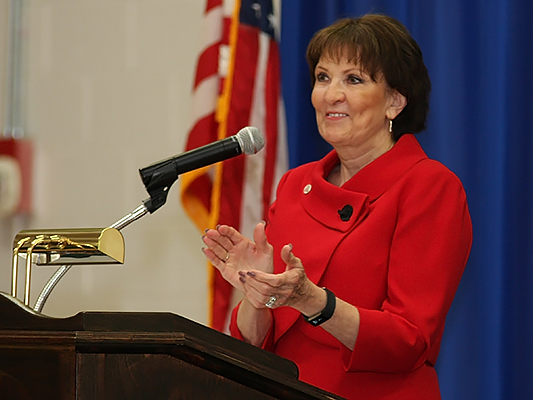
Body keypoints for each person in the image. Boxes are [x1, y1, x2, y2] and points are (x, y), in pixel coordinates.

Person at [202, 13, 472, 400]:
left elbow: (409, 339)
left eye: (354, 79)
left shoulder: (429, 187)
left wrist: (312, 300)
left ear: (394, 102)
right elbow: (255, 340)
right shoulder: (296, 184)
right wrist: (256, 294)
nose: (330, 94)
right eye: (323, 77)